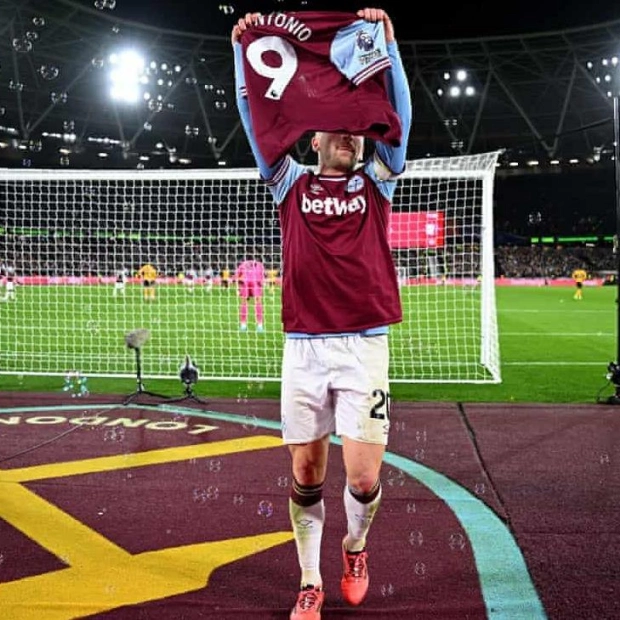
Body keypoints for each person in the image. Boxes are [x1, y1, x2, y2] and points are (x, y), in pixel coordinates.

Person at [232, 8, 412, 620]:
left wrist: (389, 45)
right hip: (305, 348)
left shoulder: (379, 184)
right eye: (333, 128)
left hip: (364, 346)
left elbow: (398, 121)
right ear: (313, 138)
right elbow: (259, 120)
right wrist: (243, 53)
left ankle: (354, 547)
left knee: (363, 480)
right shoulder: (290, 186)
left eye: (353, 129)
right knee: (306, 473)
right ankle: (309, 580)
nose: (347, 134)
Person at [236, 256, 265, 332]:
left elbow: (237, 276)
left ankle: (243, 325)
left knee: (244, 303)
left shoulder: (243, 264)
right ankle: (260, 326)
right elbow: (262, 278)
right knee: (258, 303)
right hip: (256, 283)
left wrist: (238, 288)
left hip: (245, 283)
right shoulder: (260, 265)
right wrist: (261, 288)